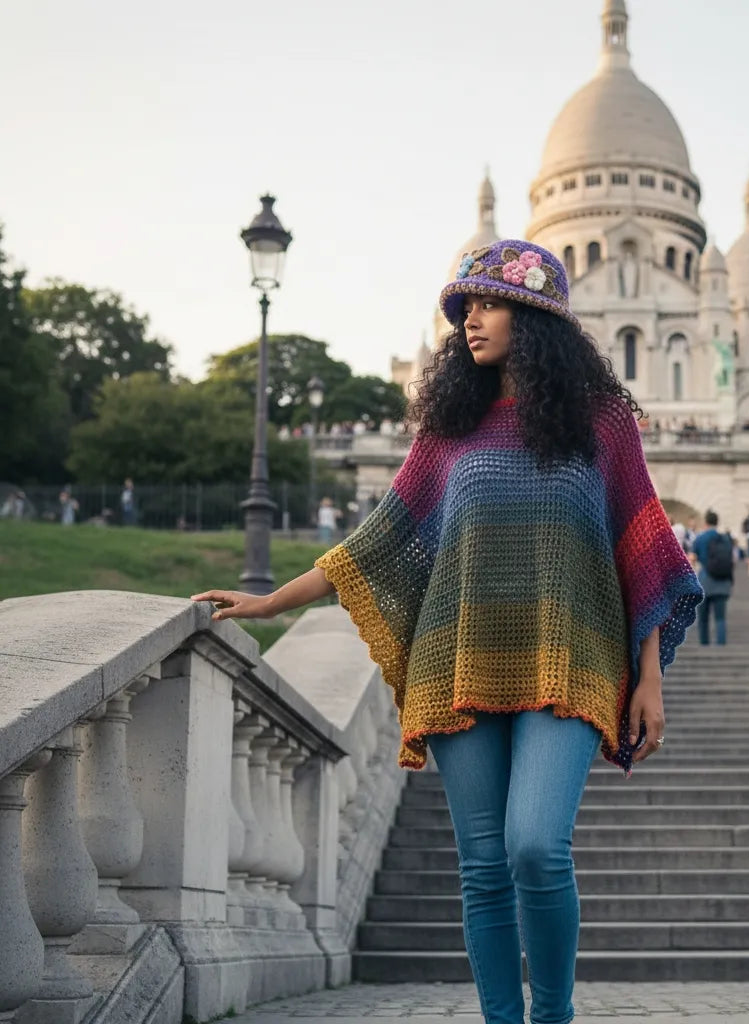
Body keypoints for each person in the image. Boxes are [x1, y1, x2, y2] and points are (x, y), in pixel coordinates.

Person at [192, 239, 704, 1024]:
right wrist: (272, 603)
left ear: (534, 317)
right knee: (483, 868)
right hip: (457, 656)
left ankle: (554, 1014)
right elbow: (378, 539)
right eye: (464, 307)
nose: (471, 321)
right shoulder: (448, 427)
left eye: (490, 303)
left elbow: (642, 548)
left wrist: (651, 678)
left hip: (569, 658)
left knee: (536, 845)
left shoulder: (602, 424)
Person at [693, 510, 733, 645]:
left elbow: (693, 557)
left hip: (705, 580)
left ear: (705, 522)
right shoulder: (725, 538)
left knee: (703, 618)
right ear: (717, 522)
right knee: (720, 618)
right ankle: (721, 645)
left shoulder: (700, 538)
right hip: (722, 582)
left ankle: (704, 644)